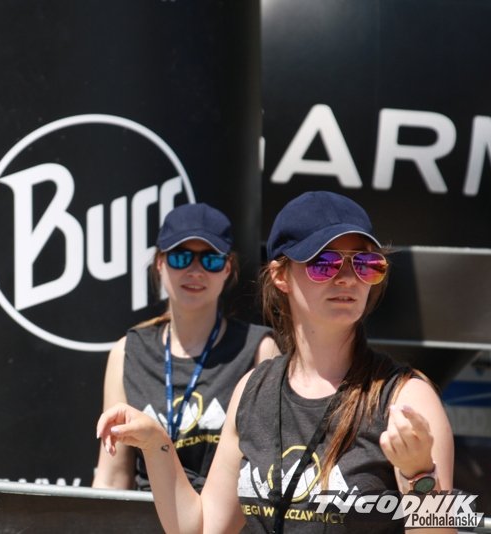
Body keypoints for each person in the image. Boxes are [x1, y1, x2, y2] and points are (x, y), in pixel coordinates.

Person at [97, 191, 455, 533]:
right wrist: (158, 444)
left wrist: (420, 475)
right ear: (280, 275)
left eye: (364, 264)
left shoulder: (408, 397)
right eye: (324, 263)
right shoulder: (253, 390)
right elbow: (203, 528)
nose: (347, 278)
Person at [92, 203, 279, 492]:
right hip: (146, 513)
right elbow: (111, 478)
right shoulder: (127, 352)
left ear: (227, 268)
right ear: (160, 263)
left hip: (222, 514)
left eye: (211, 260)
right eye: (181, 258)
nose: (195, 271)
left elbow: (269, 470)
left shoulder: (260, 349)